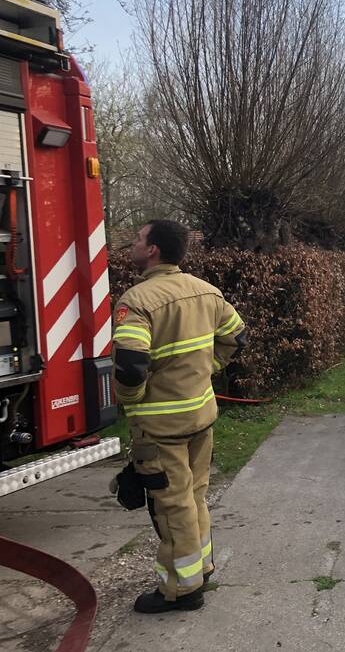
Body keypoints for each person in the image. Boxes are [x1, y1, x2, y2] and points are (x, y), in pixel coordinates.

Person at [111, 220, 247, 613]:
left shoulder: (136, 300)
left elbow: (131, 366)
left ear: (152, 250)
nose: (132, 244)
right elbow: (237, 336)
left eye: (137, 239)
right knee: (195, 497)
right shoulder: (207, 292)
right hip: (200, 416)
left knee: (173, 508)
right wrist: (208, 370)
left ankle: (180, 591)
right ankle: (199, 568)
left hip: (159, 428)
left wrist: (131, 400)